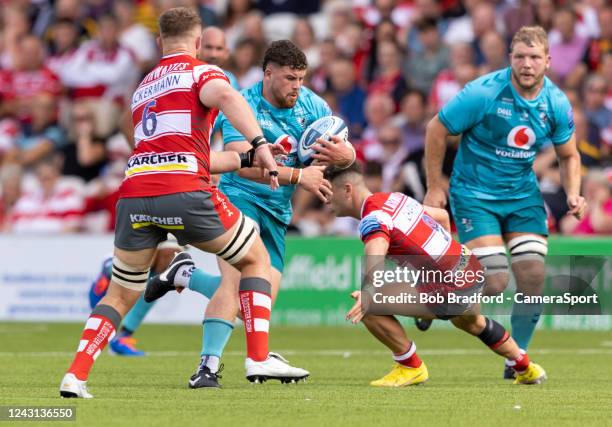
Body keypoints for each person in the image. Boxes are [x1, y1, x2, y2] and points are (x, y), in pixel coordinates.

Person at [59, 7, 304, 399]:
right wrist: (259, 143)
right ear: (196, 40)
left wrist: (246, 157)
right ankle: (258, 357)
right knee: (255, 258)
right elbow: (224, 96)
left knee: (120, 294)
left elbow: (189, 155)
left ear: (159, 43)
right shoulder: (202, 72)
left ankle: (75, 375)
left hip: (135, 195)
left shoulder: (144, 88)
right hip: (185, 192)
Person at [146, 40, 356, 388]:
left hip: (276, 209)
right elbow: (240, 163)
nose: (296, 86)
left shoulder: (312, 104)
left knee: (253, 306)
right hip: (239, 198)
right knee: (233, 283)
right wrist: (298, 175)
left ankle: (185, 275)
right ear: (268, 73)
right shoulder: (243, 103)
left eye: (301, 78)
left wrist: (343, 155)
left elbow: (348, 150)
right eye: (290, 78)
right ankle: (207, 367)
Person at [423, 26, 586, 379]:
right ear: (510, 58)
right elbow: (437, 128)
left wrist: (573, 191)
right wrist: (435, 185)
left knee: (533, 274)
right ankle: (433, 298)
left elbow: (569, 156)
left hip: (523, 196)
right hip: (475, 194)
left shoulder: (555, 102)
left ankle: (517, 357)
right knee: (494, 280)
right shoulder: (483, 93)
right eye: (520, 57)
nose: (526, 64)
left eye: (534, 57)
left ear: (547, 61)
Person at [325, 163, 547, 387]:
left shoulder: (372, 217)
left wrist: (369, 292)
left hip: (449, 286)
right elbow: (441, 216)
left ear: (347, 189)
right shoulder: (394, 199)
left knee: (370, 305)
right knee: (474, 323)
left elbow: (377, 250)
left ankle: (410, 367)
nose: (325, 201)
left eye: (328, 193)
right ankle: (525, 367)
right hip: (469, 267)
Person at [88, 236, 215, 356]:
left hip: (146, 268)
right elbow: (109, 261)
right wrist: (109, 271)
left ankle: (123, 336)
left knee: (152, 289)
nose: (171, 261)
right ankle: (113, 338)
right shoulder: (135, 256)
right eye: (169, 256)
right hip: (104, 293)